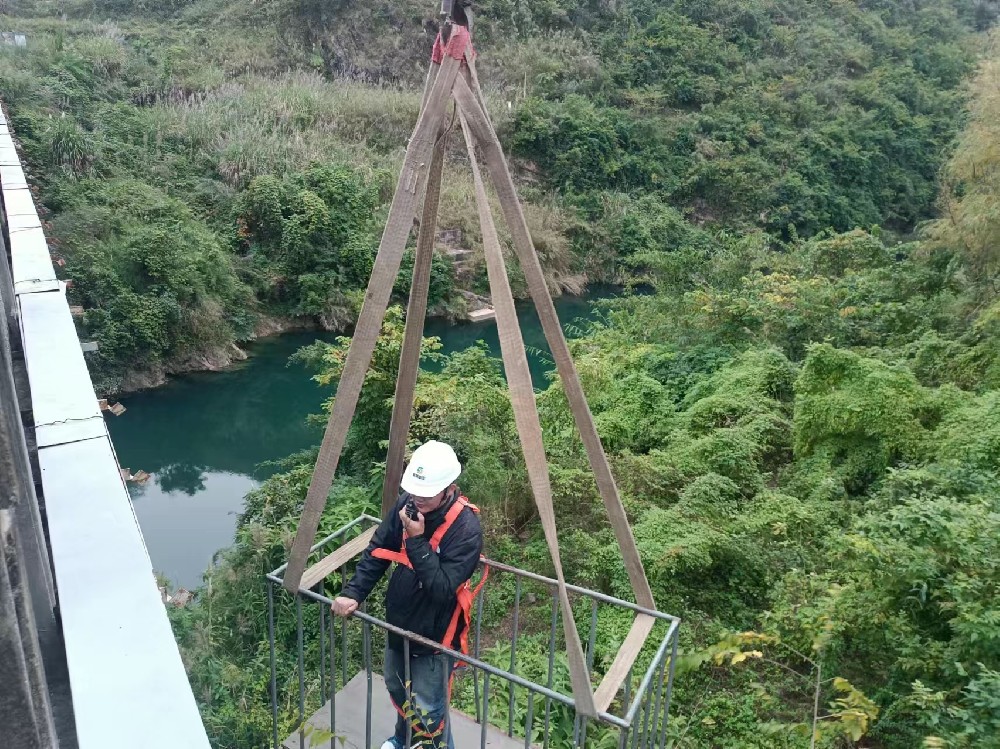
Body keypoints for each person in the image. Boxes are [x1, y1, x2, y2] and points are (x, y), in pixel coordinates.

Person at [331, 440, 483, 749]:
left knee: (428, 711)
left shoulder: (466, 530)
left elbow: (442, 591)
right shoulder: (408, 504)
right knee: (399, 690)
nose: (417, 499)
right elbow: (379, 550)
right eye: (414, 491)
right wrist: (354, 592)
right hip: (399, 626)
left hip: (433, 638)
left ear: (449, 488)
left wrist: (416, 540)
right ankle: (402, 740)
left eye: (426, 494)